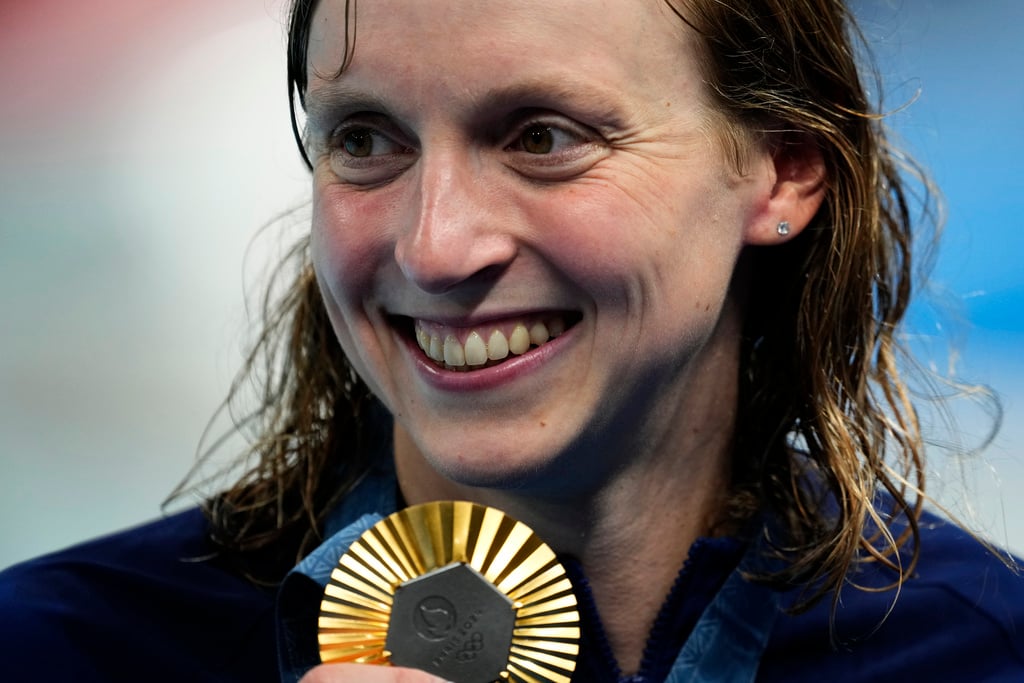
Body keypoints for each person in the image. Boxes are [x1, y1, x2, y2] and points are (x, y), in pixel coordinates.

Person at [1, 0, 1022, 681]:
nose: (436, 245)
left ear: (781, 172)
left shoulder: (978, 647)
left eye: (541, 136)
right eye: (364, 139)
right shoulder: (59, 647)